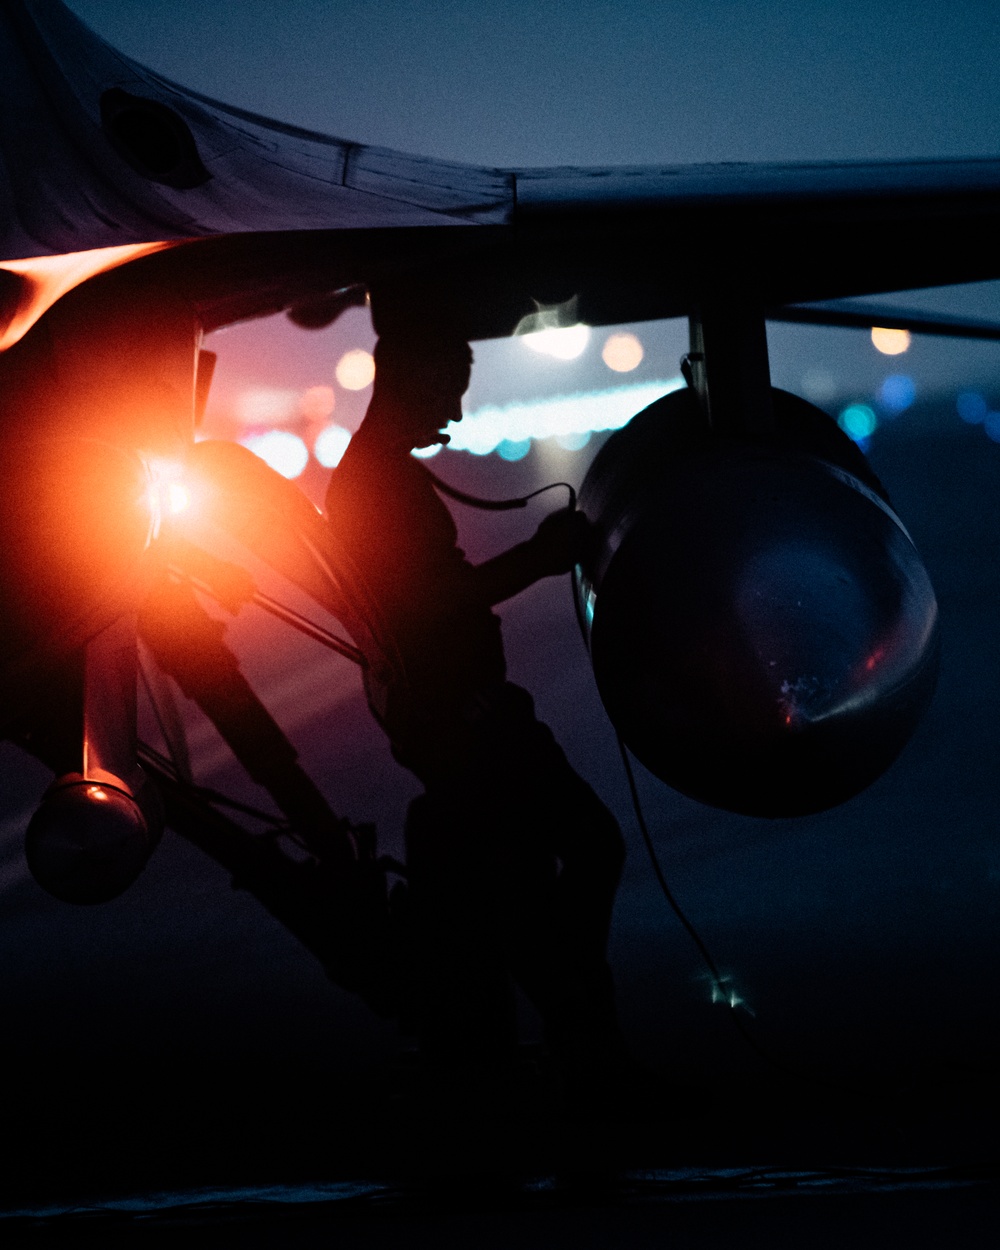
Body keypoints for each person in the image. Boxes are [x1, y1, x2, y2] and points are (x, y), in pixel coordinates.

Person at [323, 321, 626, 1090]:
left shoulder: (375, 476)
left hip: (456, 715)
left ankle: (566, 1025)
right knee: (592, 845)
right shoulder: (380, 485)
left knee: (537, 870)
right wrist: (541, 557)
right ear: (407, 377)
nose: (454, 412)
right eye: (445, 389)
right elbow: (434, 602)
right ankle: (578, 1028)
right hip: (468, 718)